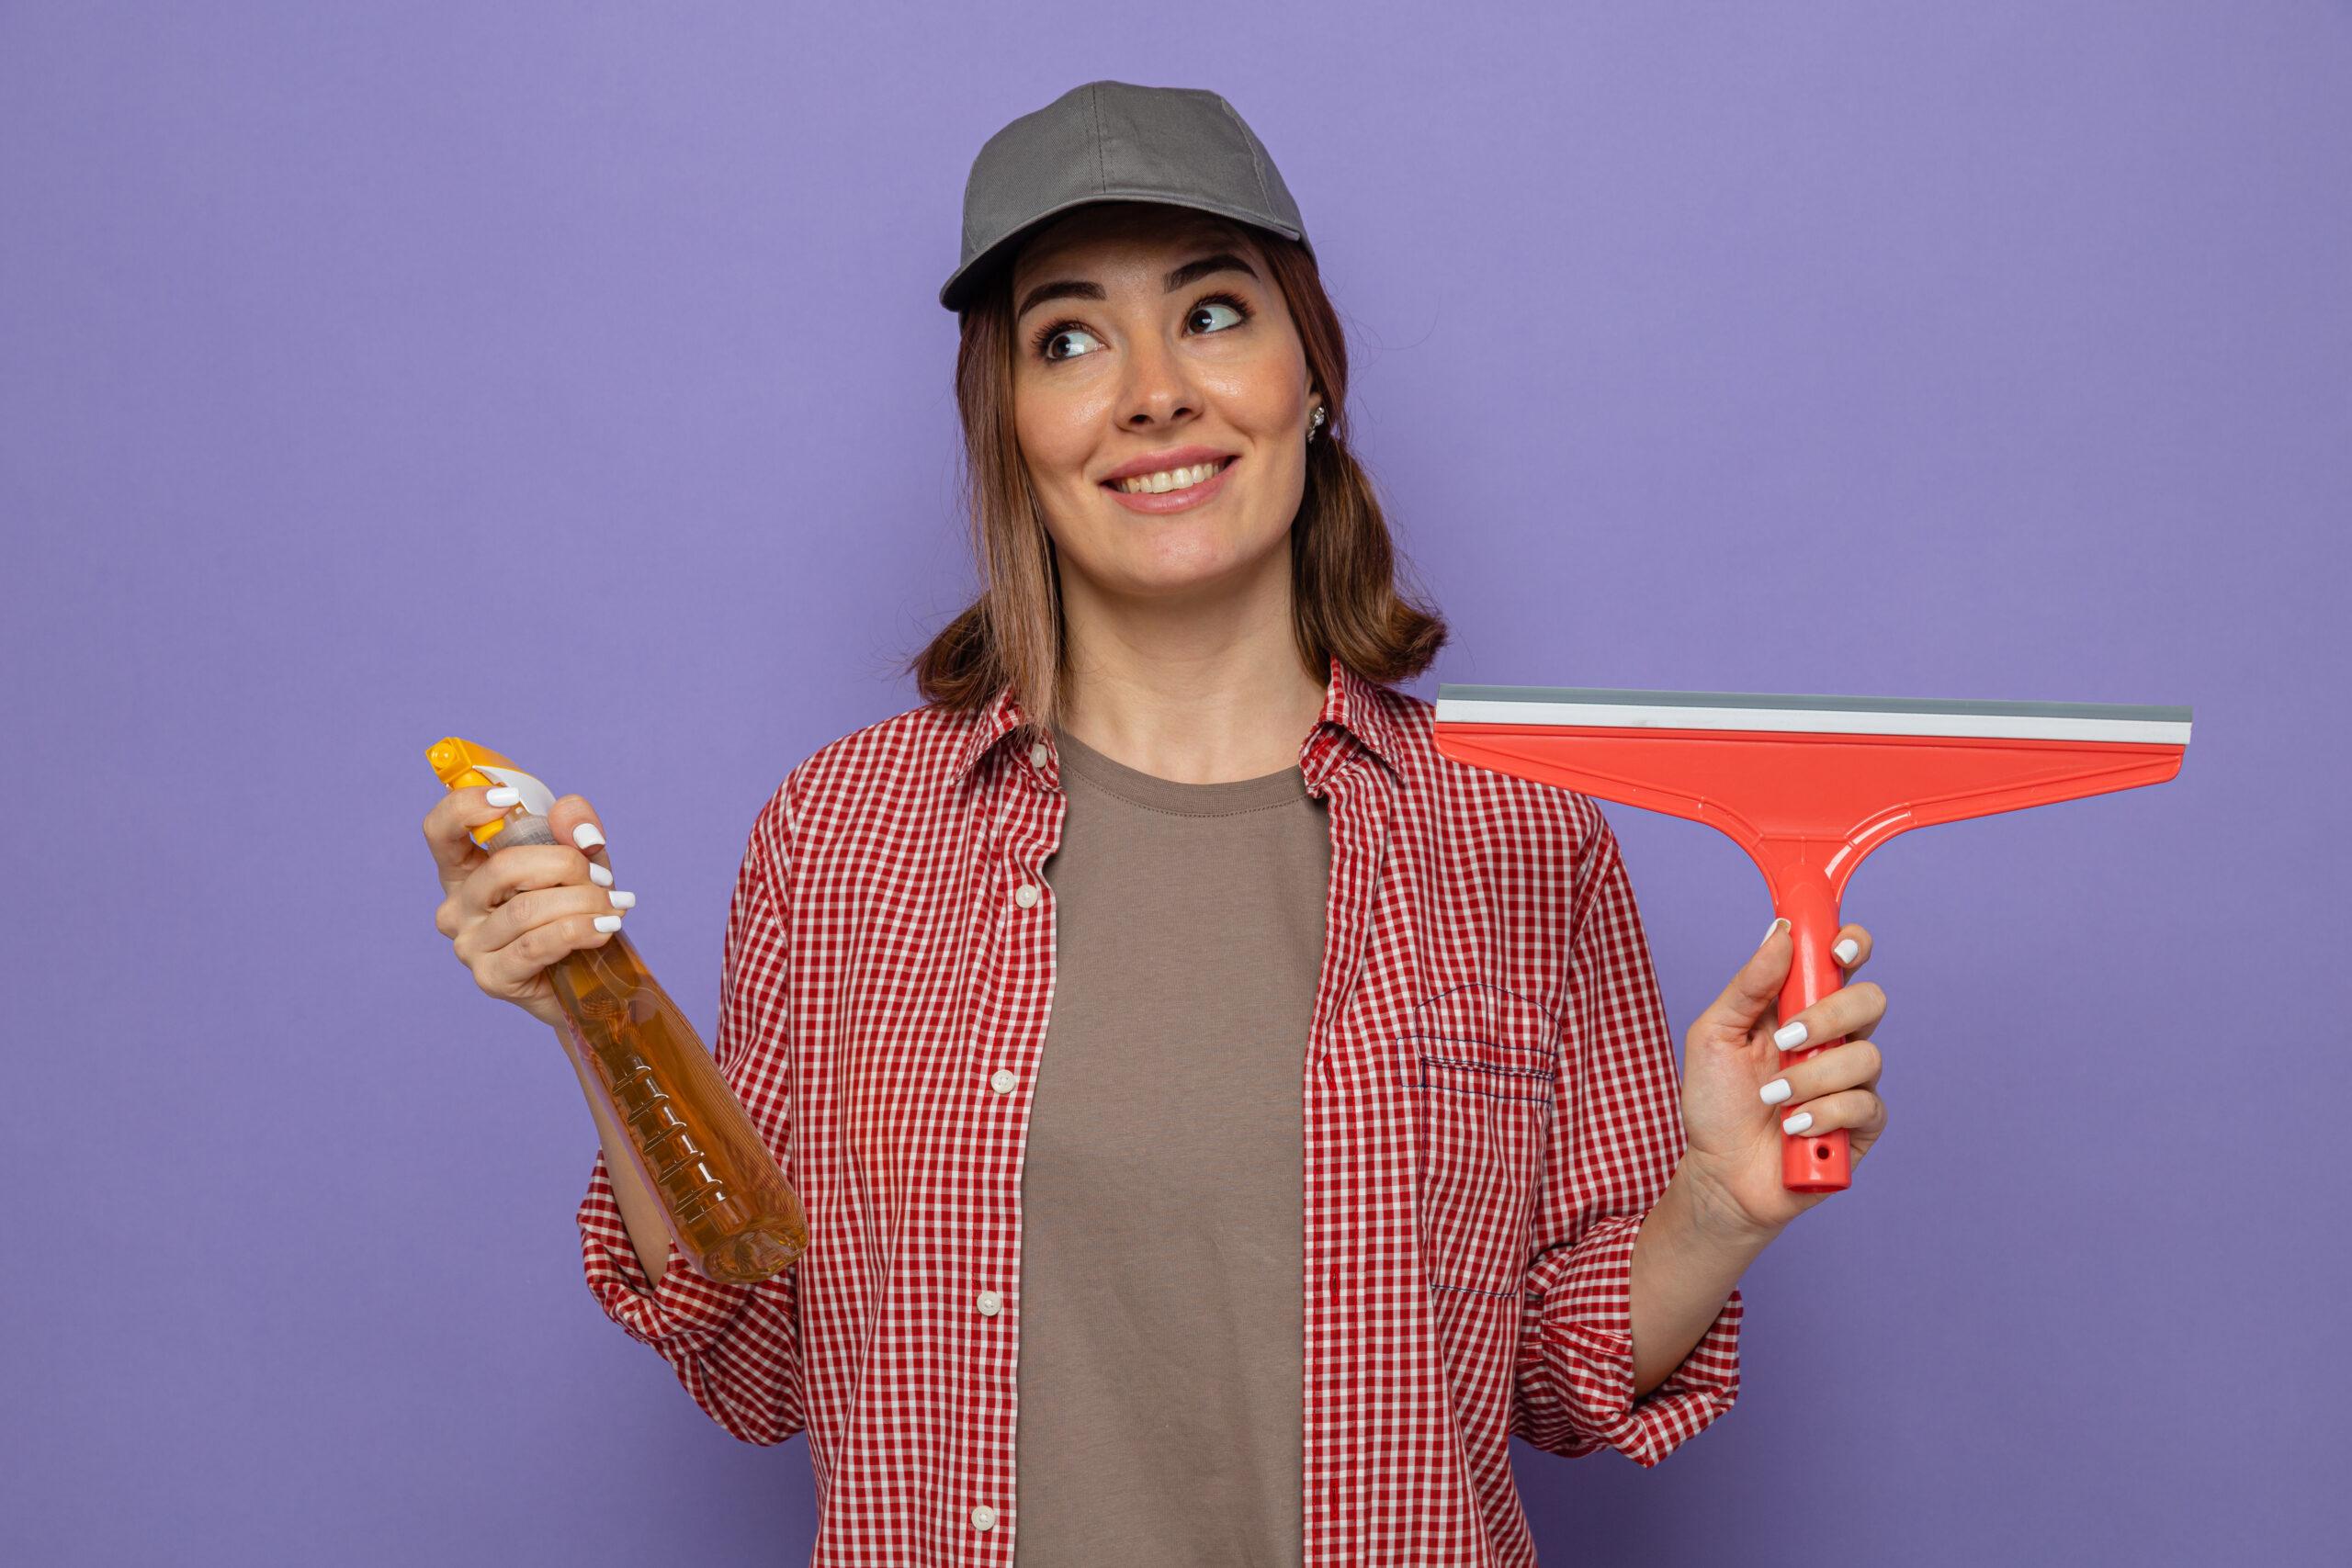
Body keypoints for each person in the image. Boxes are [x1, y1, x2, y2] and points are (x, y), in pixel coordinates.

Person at [421, 79, 1892, 1567]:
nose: (1151, 392)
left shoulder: (1524, 842)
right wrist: (592, 1012)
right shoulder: (842, 832)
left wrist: (1715, 1200)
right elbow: (754, 1355)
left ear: (1309, 374)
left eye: (1211, 313)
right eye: (1068, 338)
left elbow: (1564, 1385)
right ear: (1011, 424)